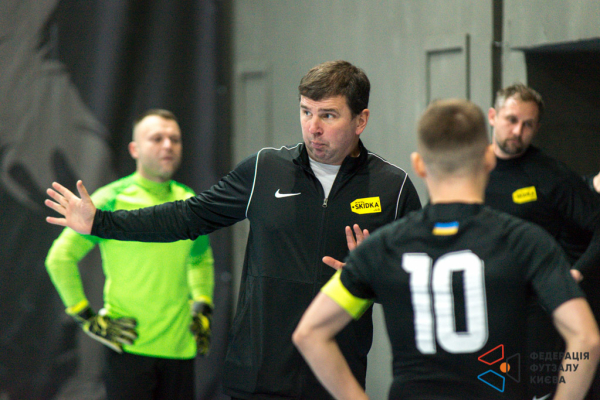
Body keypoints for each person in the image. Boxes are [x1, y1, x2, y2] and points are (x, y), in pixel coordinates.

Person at [44, 60, 422, 399]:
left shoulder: (393, 188)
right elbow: (186, 216)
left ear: (360, 120)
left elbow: (419, 285)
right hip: (257, 379)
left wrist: (372, 281)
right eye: (306, 112)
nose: (313, 128)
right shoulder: (265, 169)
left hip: (336, 382)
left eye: (328, 115)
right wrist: (101, 222)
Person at [292, 99, 600, 400]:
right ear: (488, 159)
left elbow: (309, 334)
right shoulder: (527, 242)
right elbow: (586, 339)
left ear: (419, 164)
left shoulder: (381, 248)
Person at [45, 109, 215, 400]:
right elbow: (60, 258)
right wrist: (86, 317)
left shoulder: (189, 201)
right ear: (134, 149)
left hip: (180, 349)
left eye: (174, 139)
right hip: (128, 348)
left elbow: (200, 258)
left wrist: (203, 304)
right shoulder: (110, 200)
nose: (168, 145)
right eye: (157, 138)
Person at [484, 84, 600, 398]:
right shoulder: (470, 170)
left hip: (538, 314)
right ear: (493, 116)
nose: (517, 131)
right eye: (511, 120)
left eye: (528, 124)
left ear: (537, 128)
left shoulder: (550, 174)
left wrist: (576, 272)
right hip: (485, 309)